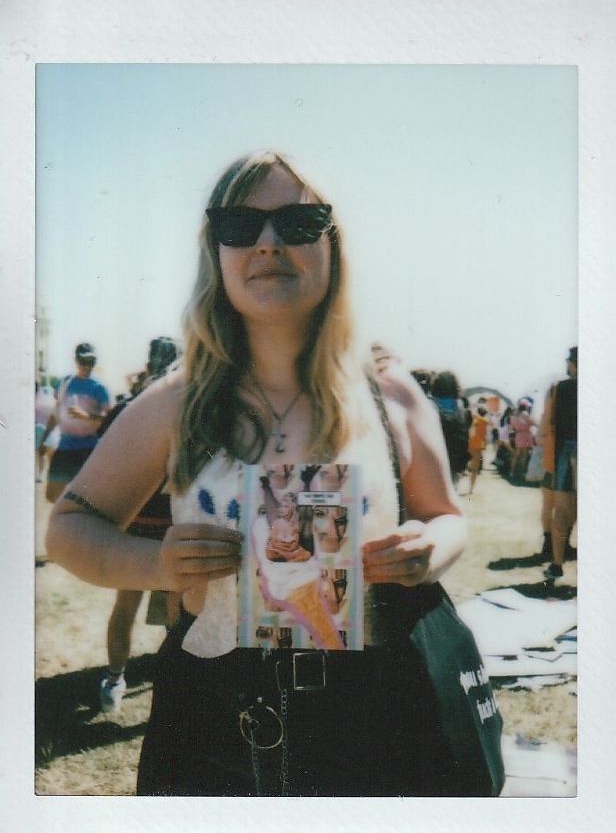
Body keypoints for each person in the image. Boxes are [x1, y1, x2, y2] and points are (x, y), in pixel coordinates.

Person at [47, 150, 492, 797]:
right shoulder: (178, 400)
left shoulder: (390, 392)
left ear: (332, 245)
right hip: (214, 715)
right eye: (239, 226)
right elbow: (68, 529)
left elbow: (448, 516)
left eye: (297, 222)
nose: (266, 243)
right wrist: (158, 566)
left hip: (379, 711)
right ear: (216, 253)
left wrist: (430, 549)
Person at [97, 337, 179, 713]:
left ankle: (115, 679)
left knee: (128, 605)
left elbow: (105, 455)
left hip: (137, 520)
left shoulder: (130, 405)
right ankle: (177, 685)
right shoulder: (185, 406)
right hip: (171, 522)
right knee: (177, 613)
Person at [38, 343, 110, 503]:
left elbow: (108, 417)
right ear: (76, 361)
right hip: (64, 447)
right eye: (84, 361)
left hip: (88, 449)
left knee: (89, 498)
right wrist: (43, 440)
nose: (87, 366)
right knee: (52, 495)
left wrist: (86, 416)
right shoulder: (64, 383)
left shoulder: (99, 387)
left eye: (91, 361)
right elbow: (55, 415)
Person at [543, 346, 578, 582]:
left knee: (562, 512)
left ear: (573, 364)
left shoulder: (561, 388)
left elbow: (550, 424)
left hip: (567, 452)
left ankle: (556, 565)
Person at [467, 403, 491, 494]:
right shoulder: (485, 420)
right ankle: (471, 488)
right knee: (474, 469)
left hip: (470, 443)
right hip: (478, 445)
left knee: (464, 465)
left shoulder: (474, 418)